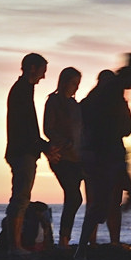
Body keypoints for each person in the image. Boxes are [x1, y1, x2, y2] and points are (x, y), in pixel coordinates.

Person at [74, 53, 131, 260]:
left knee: (126, 196)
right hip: (105, 156)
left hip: (110, 154)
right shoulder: (111, 91)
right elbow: (122, 127)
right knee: (103, 204)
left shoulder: (112, 92)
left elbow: (125, 127)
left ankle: (86, 244)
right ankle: (82, 249)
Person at [5, 53, 60, 255]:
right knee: (20, 197)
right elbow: (26, 128)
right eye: (42, 72)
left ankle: (16, 244)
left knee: (21, 196)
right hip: (22, 151)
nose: (43, 77)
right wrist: (43, 147)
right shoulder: (21, 91)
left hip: (23, 150)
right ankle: (15, 246)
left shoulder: (23, 90)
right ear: (32, 68)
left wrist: (42, 147)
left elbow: (29, 129)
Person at [43, 67, 83, 248]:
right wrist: (64, 142)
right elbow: (48, 128)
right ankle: (63, 239)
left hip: (77, 157)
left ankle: (65, 239)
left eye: (78, 84)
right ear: (65, 82)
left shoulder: (76, 106)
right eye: (74, 83)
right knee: (74, 196)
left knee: (73, 197)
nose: (75, 87)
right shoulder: (53, 101)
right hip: (61, 156)